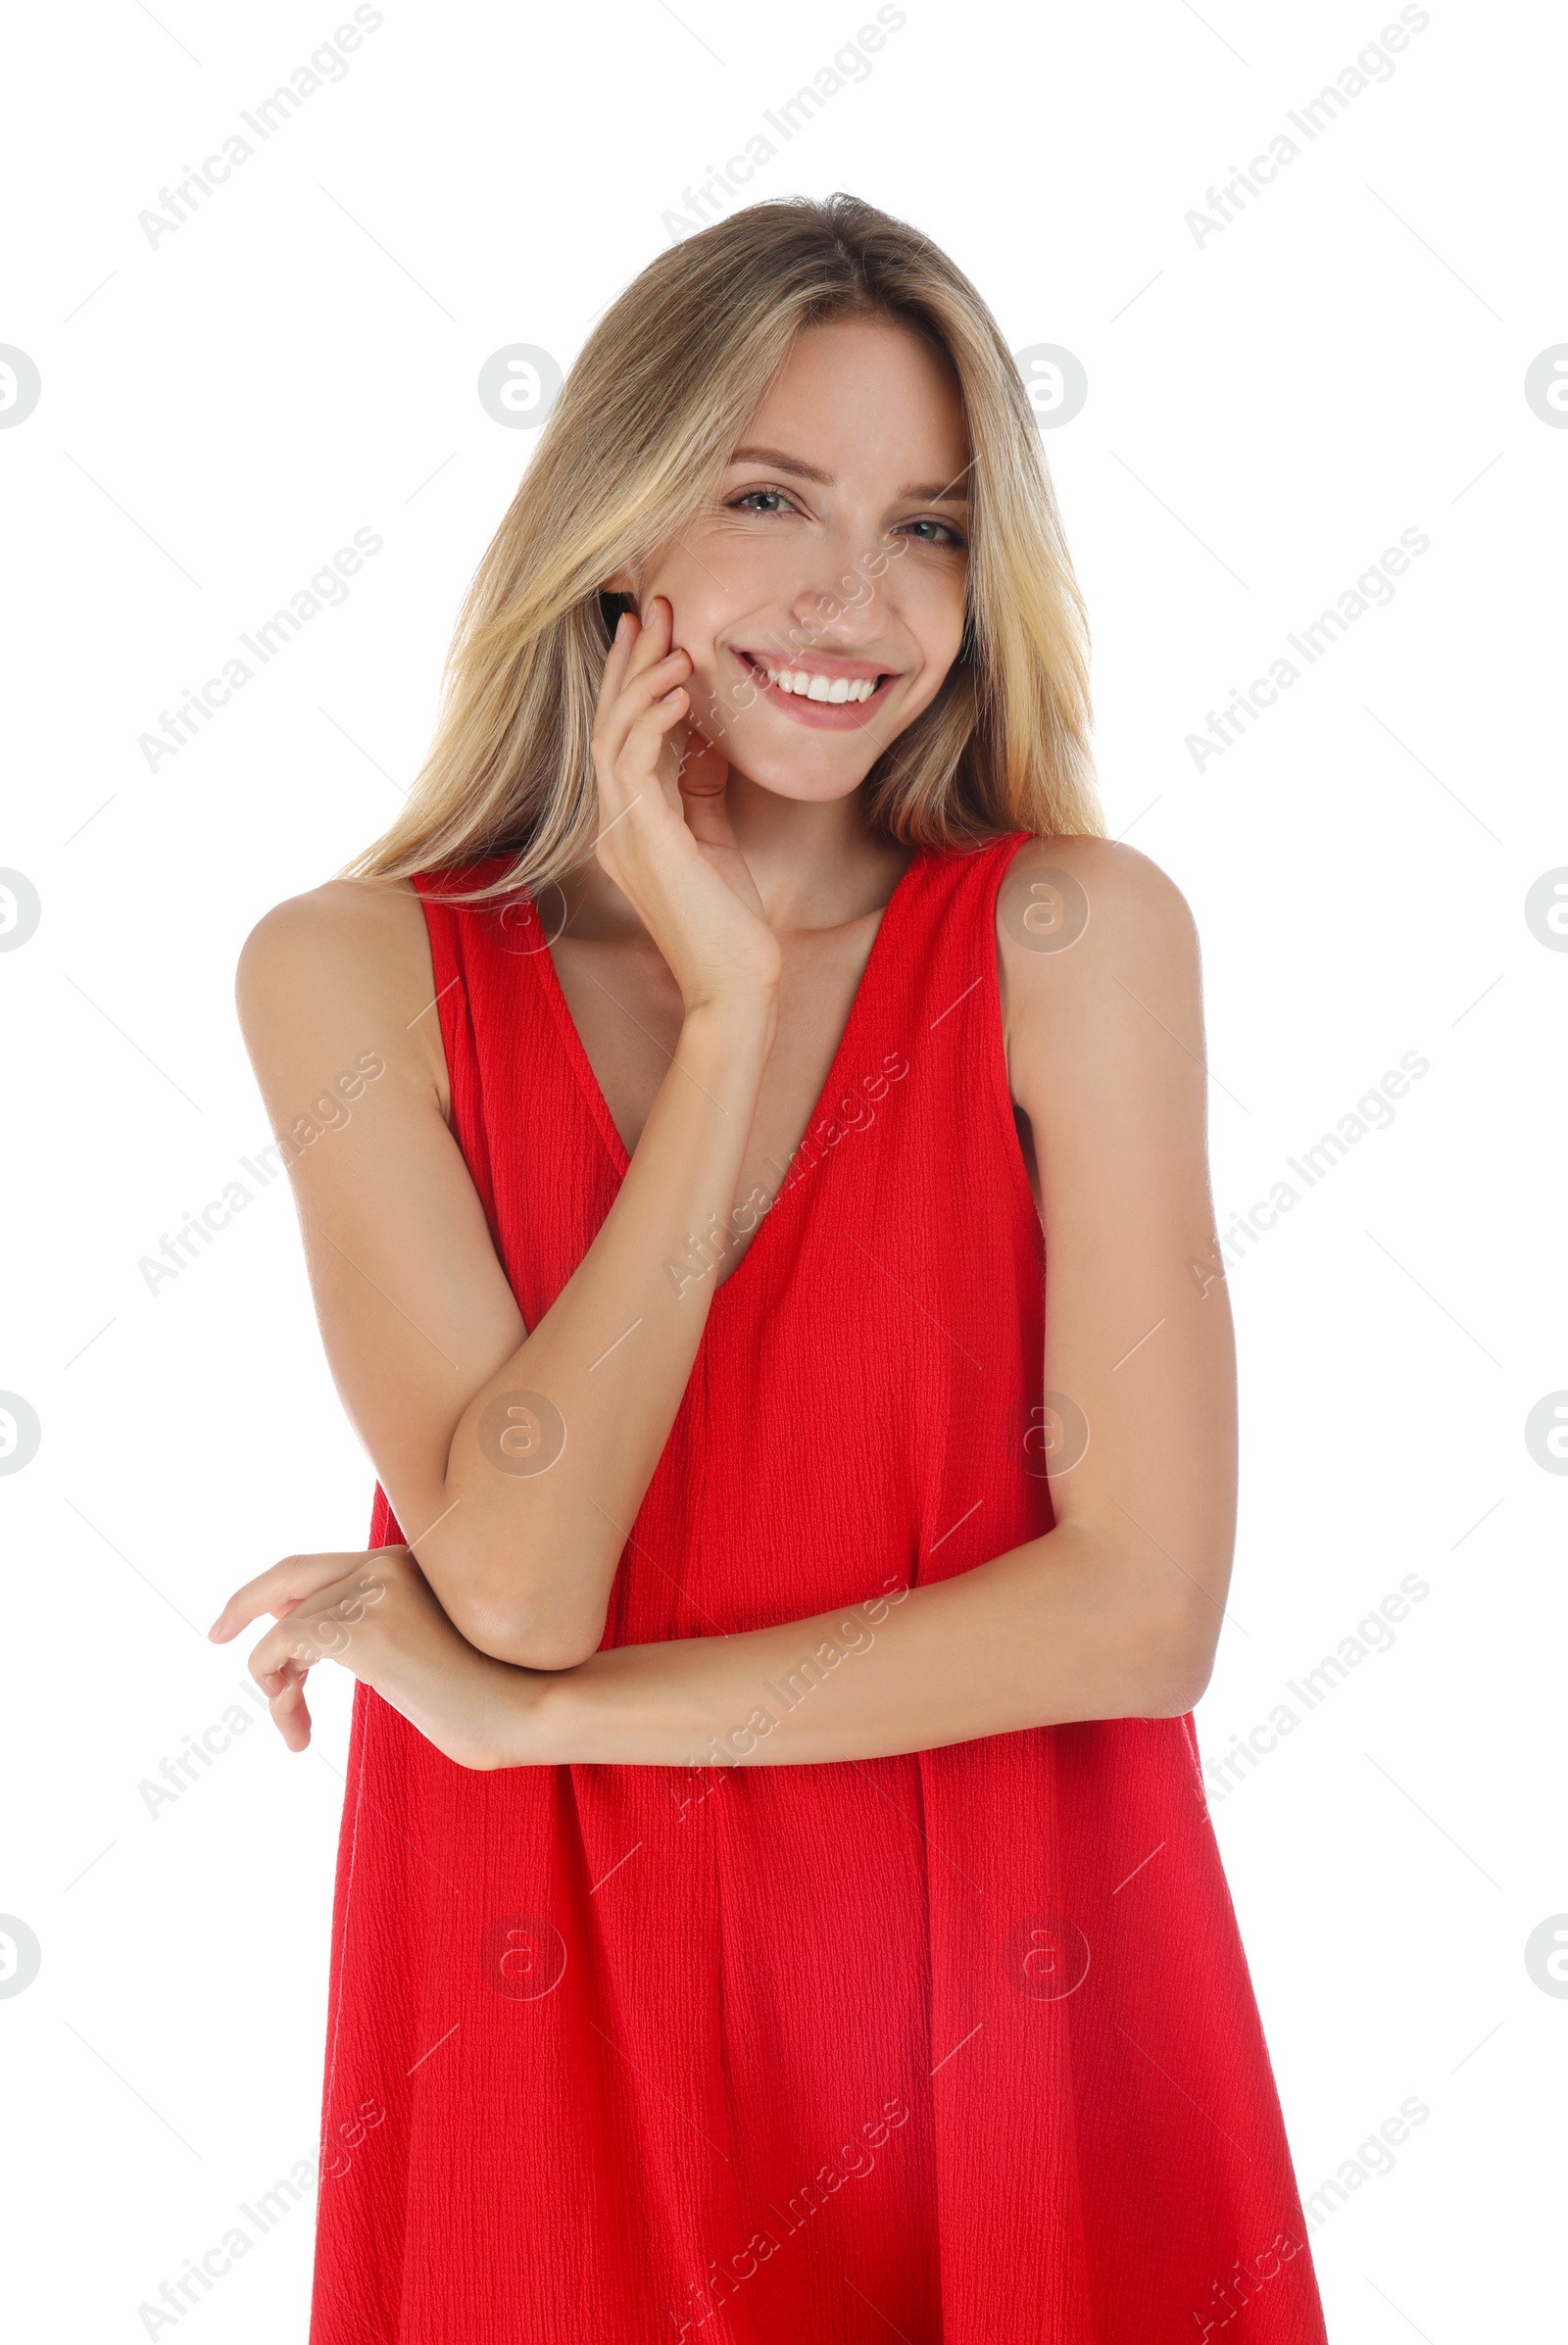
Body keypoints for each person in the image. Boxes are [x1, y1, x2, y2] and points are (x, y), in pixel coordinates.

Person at [211, 193, 1327, 2344]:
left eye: (925, 525)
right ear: (620, 530)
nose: (855, 600)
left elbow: (1141, 1610)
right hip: (556, 2010)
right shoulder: (350, 974)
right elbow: (518, 1570)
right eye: (767, 500)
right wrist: (724, 1023)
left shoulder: (1069, 944)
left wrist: (533, 1731)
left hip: (1011, 2010)